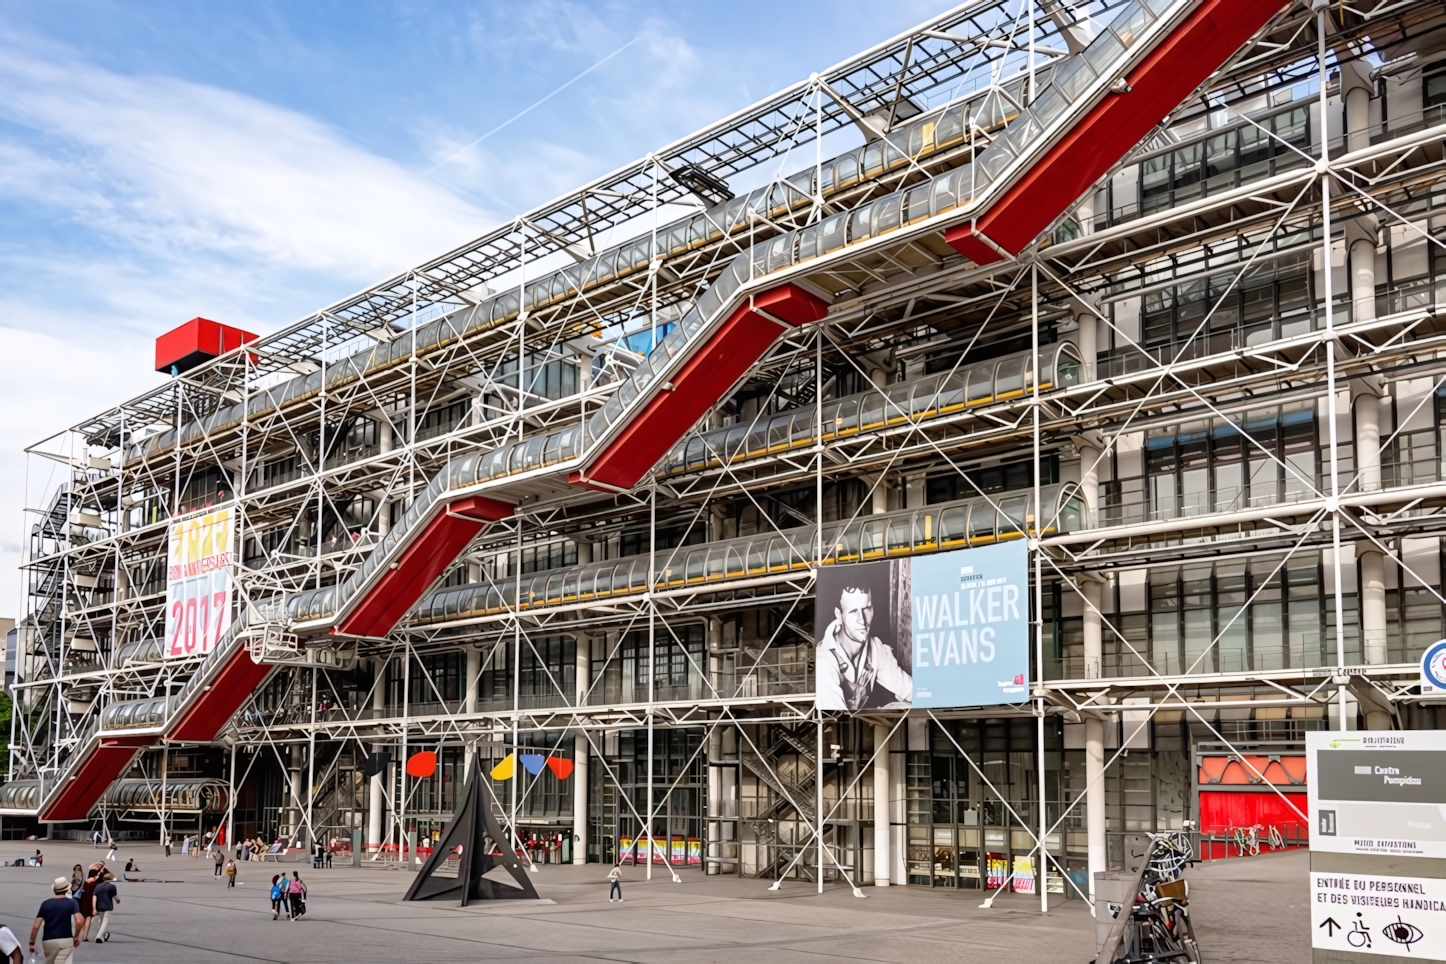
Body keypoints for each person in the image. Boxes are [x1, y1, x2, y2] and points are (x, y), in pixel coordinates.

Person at [815, 583, 912, 711]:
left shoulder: (875, 648)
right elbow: (835, 719)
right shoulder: (824, 662)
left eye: (866, 608)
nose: (862, 619)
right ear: (839, 615)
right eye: (853, 611)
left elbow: (908, 689)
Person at [29, 877, 81, 964]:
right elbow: (79, 920)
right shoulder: (72, 902)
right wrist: (76, 936)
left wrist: (32, 942)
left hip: (48, 941)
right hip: (66, 939)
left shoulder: (45, 904)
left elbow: (36, 925)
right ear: (67, 889)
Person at [91, 872, 118, 944]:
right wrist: (118, 900)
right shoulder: (112, 886)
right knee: (104, 922)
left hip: (99, 906)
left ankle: (102, 937)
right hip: (107, 906)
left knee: (101, 920)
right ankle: (99, 936)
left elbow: (94, 896)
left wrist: (94, 908)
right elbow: (116, 898)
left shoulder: (97, 886)